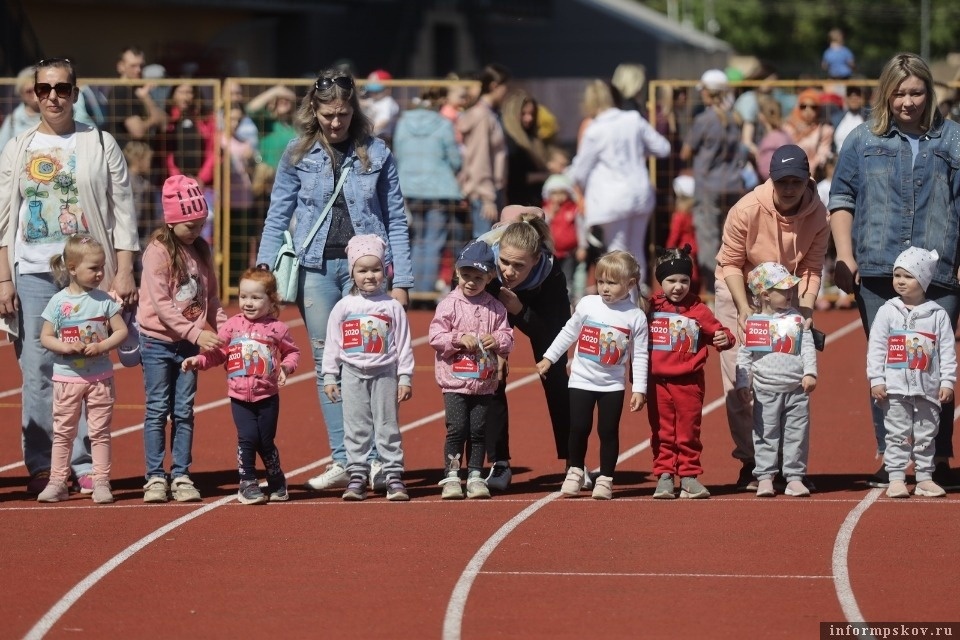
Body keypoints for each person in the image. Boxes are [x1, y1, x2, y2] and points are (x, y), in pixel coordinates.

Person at [255, 69, 412, 493]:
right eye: (328, 115)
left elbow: (396, 218)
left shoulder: (376, 152)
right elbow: (277, 214)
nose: (336, 122)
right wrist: (263, 269)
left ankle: (376, 460)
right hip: (316, 269)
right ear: (314, 111)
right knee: (330, 361)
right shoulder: (296, 152)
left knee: (374, 360)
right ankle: (345, 459)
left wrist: (402, 280)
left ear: (353, 110)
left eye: (343, 113)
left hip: (368, 272)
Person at [0, 57, 140, 495]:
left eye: (62, 89)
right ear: (34, 94)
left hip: (88, 273)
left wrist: (125, 269)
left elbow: (124, 210)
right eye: (44, 89)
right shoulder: (18, 146)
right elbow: (3, 217)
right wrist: (3, 279)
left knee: (87, 364)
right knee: (38, 367)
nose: (53, 97)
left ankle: (82, 463)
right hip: (32, 270)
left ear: (75, 94)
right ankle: (44, 464)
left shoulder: (99, 142)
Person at [830, 52, 960, 488]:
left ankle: (937, 456)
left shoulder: (953, 139)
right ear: (886, 93)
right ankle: (892, 456)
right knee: (888, 364)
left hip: (940, 272)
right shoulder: (861, 139)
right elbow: (842, 198)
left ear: (930, 92)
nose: (908, 102)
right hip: (878, 270)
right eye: (900, 93)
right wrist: (845, 255)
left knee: (932, 362)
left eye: (917, 93)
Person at [715, 144, 829, 490]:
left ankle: (786, 464)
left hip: (785, 291)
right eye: (782, 181)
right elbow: (730, 262)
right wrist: (744, 309)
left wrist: (805, 309)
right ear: (771, 179)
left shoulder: (818, 215)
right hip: (739, 288)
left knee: (788, 378)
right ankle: (752, 461)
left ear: (807, 179)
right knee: (741, 380)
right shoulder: (746, 209)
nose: (789, 188)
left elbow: (811, 268)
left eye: (796, 181)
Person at [137, 175, 227, 503]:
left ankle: (181, 474)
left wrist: (227, 330)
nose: (197, 231)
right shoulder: (157, 252)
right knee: (157, 409)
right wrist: (196, 332)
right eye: (191, 226)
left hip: (188, 344)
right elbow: (162, 305)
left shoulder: (201, 250)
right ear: (172, 221)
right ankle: (154, 476)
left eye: (201, 224)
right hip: (157, 342)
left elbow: (211, 298)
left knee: (184, 410)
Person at [535, 250, 648, 500]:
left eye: (612, 283)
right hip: (581, 380)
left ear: (630, 284)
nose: (604, 288)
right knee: (578, 428)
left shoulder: (635, 316)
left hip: (612, 385)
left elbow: (640, 355)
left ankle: (606, 478)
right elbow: (568, 332)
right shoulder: (588, 304)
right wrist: (549, 358)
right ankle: (575, 471)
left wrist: (639, 388)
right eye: (600, 281)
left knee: (607, 431)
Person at [182, 268, 301, 504]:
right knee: (247, 438)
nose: (248, 302)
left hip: (267, 396)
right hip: (239, 396)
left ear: (271, 300)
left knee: (265, 441)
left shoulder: (278, 329)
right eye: (243, 296)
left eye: (256, 297)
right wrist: (199, 361)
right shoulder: (232, 326)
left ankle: (276, 477)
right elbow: (218, 354)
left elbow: (292, 352)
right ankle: (247, 482)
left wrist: (286, 368)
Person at [478, 207, 572, 490]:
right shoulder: (480, 260)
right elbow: (464, 311)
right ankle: (499, 463)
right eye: (505, 262)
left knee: (556, 374)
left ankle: (574, 462)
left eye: (519, 265)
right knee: (491, 376)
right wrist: (499, 350)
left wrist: (520, 310)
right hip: (490, 306)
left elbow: (555, 333)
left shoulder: (551, 272)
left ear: (536, 258)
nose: (509, 271)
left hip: (535, 306)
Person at [35, 235, 127, 504]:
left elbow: (120, 331)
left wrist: (102, 346)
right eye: (94, 268)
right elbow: (46, 337)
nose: (100, 273)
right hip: (67, 379)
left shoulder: (104, 301)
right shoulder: (58, 302)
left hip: (100, 378)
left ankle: (101, 482)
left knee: (99, 432)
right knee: (63, 432)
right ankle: (57, 482)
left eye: (102, 267)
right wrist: (65, 346)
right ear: (72, 268)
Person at [321, 235, 414, 502]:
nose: (370, 276)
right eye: (362, 270)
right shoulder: (344, 306)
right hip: (352, 374)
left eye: (376, 269)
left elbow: (404, 343)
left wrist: (405, 377)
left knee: (387, 426)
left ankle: (392, 474)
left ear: (385, 271)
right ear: (352, 272)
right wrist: (330, 375)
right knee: (356, 427)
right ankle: (357, 476)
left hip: (384, 375)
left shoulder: (392, 306)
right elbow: (333, 343)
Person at [866, 247, 956, 499]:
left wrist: (947, 381)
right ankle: (896, 477)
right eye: (897, 275)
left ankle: (924, 477)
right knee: (897, 433)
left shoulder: (937, 314)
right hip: (895, 388)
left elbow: (947, 350)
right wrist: (876, 379)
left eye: (908, 276)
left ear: (923, 280)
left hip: (927, 388)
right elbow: (876, 347)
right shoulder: (887, 311)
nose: (900, 281)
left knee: (927, 434)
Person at [429, 240, 514, 499]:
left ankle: (476, 475)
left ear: (489, 277)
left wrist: (496, 340)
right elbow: (435, 336)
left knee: (479, 431)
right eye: (466, 275)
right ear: (457, 272)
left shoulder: (496, 308)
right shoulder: (448, 304)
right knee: (457, 429)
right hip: (455, 382)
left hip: (484, 383)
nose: (471, 282)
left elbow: (508, 337)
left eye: (478, 277)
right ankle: (452, 476)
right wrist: (458, 339)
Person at [648, 246, 734, 499]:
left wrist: (724, 338)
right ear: (660, 281)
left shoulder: (698, 309)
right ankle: (664, 475)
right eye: (671, 281)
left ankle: (688, 476)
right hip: (657, 383)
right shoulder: (650, 307)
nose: (678, 287)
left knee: (688, 431)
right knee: (662, 432)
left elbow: (721, 333)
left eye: (684, 281)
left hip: (689, 383)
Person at [568, 79, 670, 289]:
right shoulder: (633, 119)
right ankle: (636, 302)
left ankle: (623, 304)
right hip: (640, 194)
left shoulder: (595, 130)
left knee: (617, 253)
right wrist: (637, 150)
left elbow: (579, 171)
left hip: (611, 199)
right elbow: (662, 148)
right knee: (636, 252)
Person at [735, 262, 817, 498]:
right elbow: (745, 355)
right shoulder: (754, 323)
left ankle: (794, 477)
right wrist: (743, 383)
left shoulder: (797, 319)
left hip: (796, 390)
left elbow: (807, 347)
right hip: (765, 391)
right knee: (765, 435)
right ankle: (764, 477)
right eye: (783, 290)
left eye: (791, 289)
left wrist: (810, 373)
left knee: (796, 435)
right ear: (765, 295)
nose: (790, 293)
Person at [392, 86, 463, 305]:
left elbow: (398, 153)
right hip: (438, 190)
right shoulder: (443, 124)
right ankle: (426, 294)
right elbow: (455, 159)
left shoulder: (403, 123)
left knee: (416, 241)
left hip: (409, 188)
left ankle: (413, 292)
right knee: (434, 242)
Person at [680, 69, 745, 292]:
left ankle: (713, 289)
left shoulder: (704, 119)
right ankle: (733, 286)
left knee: (708, 239)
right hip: (734, 185)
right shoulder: (736, 117)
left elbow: (686, 152)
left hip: (708, 186)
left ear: (708, 92)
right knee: (731, 239)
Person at [458, 63, 510, 238]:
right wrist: (488, 198)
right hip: (484, 191)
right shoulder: (482, 116)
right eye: (505, 88)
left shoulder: (488, 114)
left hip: (489, 189)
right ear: (494, 86)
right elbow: (479, 158)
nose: (506, 93)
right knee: (486, 242)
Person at [163, 83, 217, 243]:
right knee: (175, 228)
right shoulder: (167, 119)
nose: (187, 96)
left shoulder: (205, 119)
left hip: (202, 184)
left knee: (203, 226)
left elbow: (213, 151)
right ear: (173, 95)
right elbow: (167, 153)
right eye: (182, 92)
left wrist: (201, 178)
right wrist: (179, 180)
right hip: (174, 184)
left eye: (190, 92)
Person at [105, 46, 167, 152]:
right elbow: (138, 131)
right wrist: (154, 119)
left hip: (145, 154)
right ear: (120, 67)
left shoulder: (141, 90)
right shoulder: (120, 91)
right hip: (126, 156)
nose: (138, 70)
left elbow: (164, 123)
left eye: (141, 66)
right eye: (133, 66)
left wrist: (146, 98)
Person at [501, 89, 548, 206]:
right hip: (518, 203)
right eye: (523, 114)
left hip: (533, 201)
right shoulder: (511, 142)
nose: (529, 118)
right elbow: (515, 177)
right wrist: (546, 175)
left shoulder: (532, 138)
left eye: (532, 114)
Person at [540, 173, 584, 300]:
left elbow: (581, 228)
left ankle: (568, 299)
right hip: (551, 252)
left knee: (568, 276)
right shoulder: (545, 210)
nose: (558, 197)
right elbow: (542, 228)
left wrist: (583, 246)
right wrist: (550, 215)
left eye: (562, 193)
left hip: (569, 252)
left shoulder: (573, 209)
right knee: (551, 276)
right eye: (554, 193)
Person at [783, 89, 834, 177]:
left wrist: (807, 170)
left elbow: (822, 154)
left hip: (812, 176)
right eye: (803, 106)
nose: (808, 110)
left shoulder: (824, 130)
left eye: (813, 107)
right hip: (789, 174)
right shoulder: (788, 128)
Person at [665, 175, 700, 295]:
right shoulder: (695, 213)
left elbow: (674, 236)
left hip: (682, 249)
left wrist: (668, 250)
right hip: (695, 247)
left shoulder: (679, 215)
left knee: (686, 276)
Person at [0, 67, 40, 152]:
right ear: (21, 94)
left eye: (37, 89)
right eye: (29, 91)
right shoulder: (12, 120)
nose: (35, 95)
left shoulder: (56, 117)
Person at [755, 95, 793, 182]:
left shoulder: (770, 139)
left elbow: (766, 170)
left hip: (774, 183)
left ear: (762, 116)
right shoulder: (785, 134)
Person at [361, 69, 400, 145]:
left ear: (388, 89)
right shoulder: (374, 100)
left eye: (377, 91)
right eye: (371, 90)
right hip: (370, 137)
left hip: (382, 138)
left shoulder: (388, 102)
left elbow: (384, 121)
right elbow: (362, 103)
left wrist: (367, 131)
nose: (373, 93)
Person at [830, 85, 869, 154]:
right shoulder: (836, 119)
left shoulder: (869, 119)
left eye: (857, 95)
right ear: (846, 99)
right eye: (850, 95)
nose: (854, 98)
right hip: (838, 156)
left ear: (863, 99)